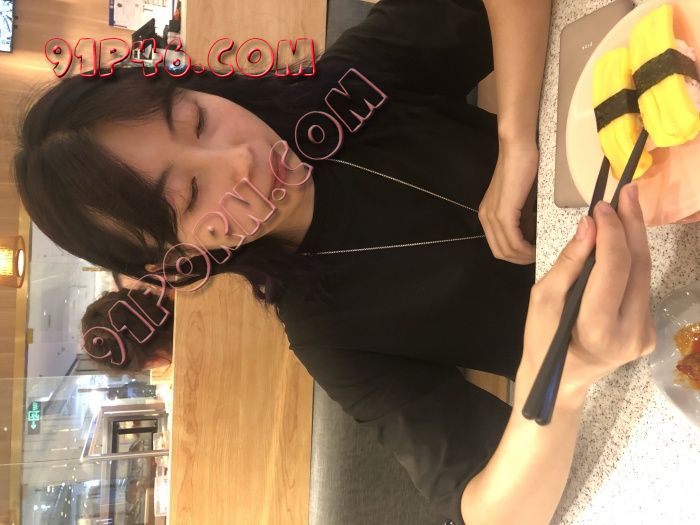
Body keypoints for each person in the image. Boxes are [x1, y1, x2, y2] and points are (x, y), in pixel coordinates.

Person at [12, 1, 655, 524]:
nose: (238, 160)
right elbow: (492, 511)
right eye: (190, 194)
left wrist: (515, 135)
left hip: (665, 171)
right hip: (666, 332)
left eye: (198, 119)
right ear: (176, 261)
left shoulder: (347, 91)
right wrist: (563, 381)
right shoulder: (329, 331)